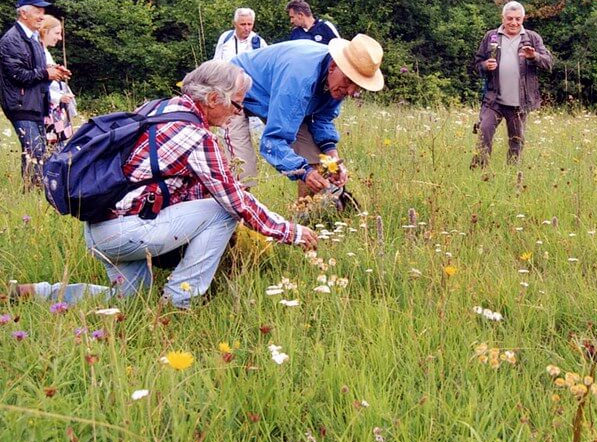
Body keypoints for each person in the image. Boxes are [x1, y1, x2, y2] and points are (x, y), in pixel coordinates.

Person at [9, 60, 318, 309]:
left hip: (100, 229)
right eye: (237, 105)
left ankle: (36, 293)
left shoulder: (156, 108)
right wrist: (291, 231)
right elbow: (235, 200)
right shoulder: (196, 137)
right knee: (225, 211)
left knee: (128, 302)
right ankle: (179, 302)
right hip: (126, 232)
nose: (239, 113)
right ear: (213, 99)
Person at [226, 34, 383, 193]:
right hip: (236, 90)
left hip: (275, 96)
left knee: (319, 166)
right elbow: (273, 140)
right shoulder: (300, 78)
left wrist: (333, 159)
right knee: (242, 172)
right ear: (333, 66)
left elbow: (323, 119)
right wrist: (304, 171)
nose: (351, 91)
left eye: (358, 86)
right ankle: (234, 215)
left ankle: (306, 216)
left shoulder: (337, 82)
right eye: (349, 81)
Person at [0, 0, 71, 188]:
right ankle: (33, 196)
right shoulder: (11, 40)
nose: (42, 15)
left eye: (42, 11)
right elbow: (18, 74)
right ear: (24, 13)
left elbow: (37, 70)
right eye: (38, 10)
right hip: (21, 105)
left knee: (38, 153)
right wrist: (47, 74)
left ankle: (38, 194)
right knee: (35, 153)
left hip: (35, 105)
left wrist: (55, 71)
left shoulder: (32, 39)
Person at [471, 1, 552, 168]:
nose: (514, 23)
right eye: (510, 19)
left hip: (519, 103)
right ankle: (478, 172)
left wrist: (533, 56)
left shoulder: (532, 37)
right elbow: (477, 64)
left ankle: (512, 176)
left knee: (516, 142)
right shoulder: (491, 36)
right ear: (503, 18)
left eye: (517, 19)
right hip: (493, 100)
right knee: (484, 133)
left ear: (523, 18)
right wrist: (486, 65)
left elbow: (548, 63)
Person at [38, 15, 77, 148]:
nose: (59, 38)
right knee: (53, 149)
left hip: (54, 109)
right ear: (45, 31)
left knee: (57, 146)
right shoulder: (39, 53)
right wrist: (60, 97)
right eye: (56, 33)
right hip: (48, 112)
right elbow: (39, 83)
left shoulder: (45, 52)